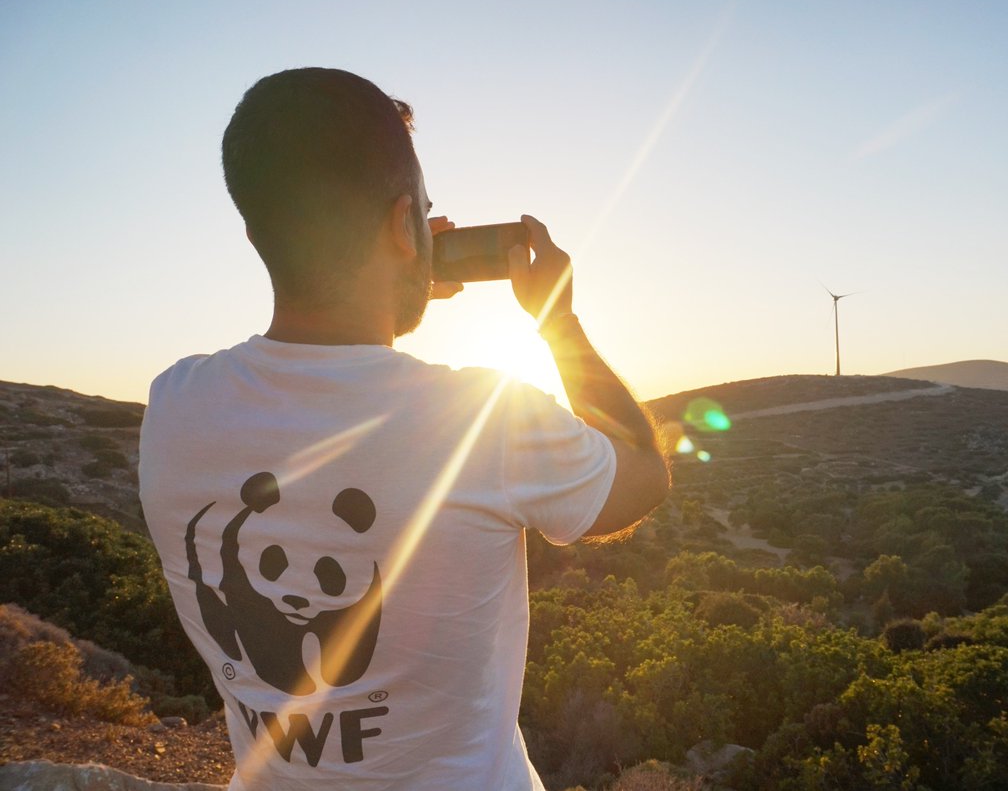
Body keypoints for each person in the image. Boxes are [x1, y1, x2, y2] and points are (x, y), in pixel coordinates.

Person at [138, 67, 670, 790]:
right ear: (401, 226)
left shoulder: (173, 406)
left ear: (256, 224)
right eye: (420, 210)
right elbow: (640, 470)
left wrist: (396, 280)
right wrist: (559, 320)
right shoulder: (483, 423)